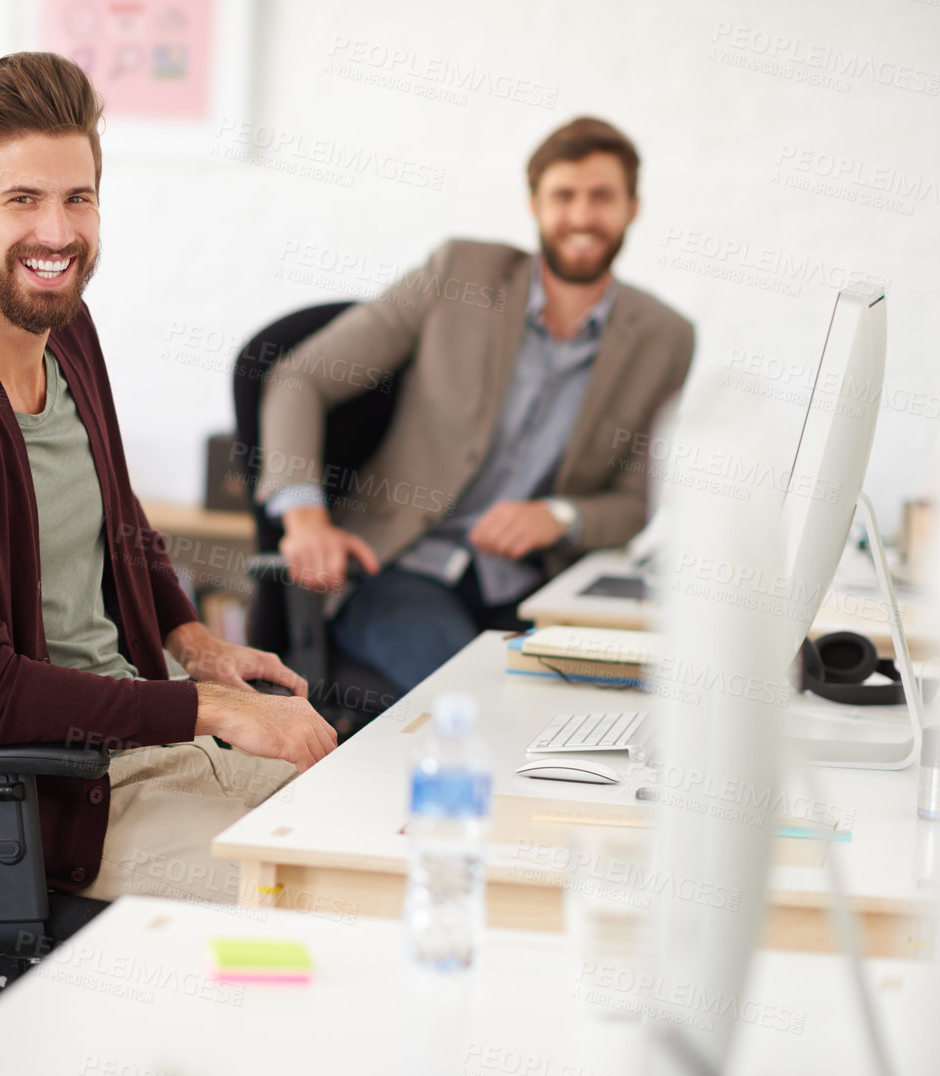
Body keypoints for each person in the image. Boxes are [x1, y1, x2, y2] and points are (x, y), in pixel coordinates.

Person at [0, 52, 335, 905]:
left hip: (157, 753)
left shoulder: (65, 332)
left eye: (78, 197)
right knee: (337, 899)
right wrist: (211, 709)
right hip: (57, 813)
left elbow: (120, 517)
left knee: (390, 836)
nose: (58, 234)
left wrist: (193, 643)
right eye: (22, 200)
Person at [256, 116, 694, 692]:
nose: (583, 217)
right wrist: (306, 519)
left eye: (602, 197)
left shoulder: (664, 336)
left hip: (534, 588)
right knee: (479, 699)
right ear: (535, 204)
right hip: (399, 570)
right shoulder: (459, 273)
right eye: (564, 195)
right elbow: (300, 378)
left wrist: (559, 517)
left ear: (632, 208)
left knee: (622, 697)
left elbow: (631, 505)